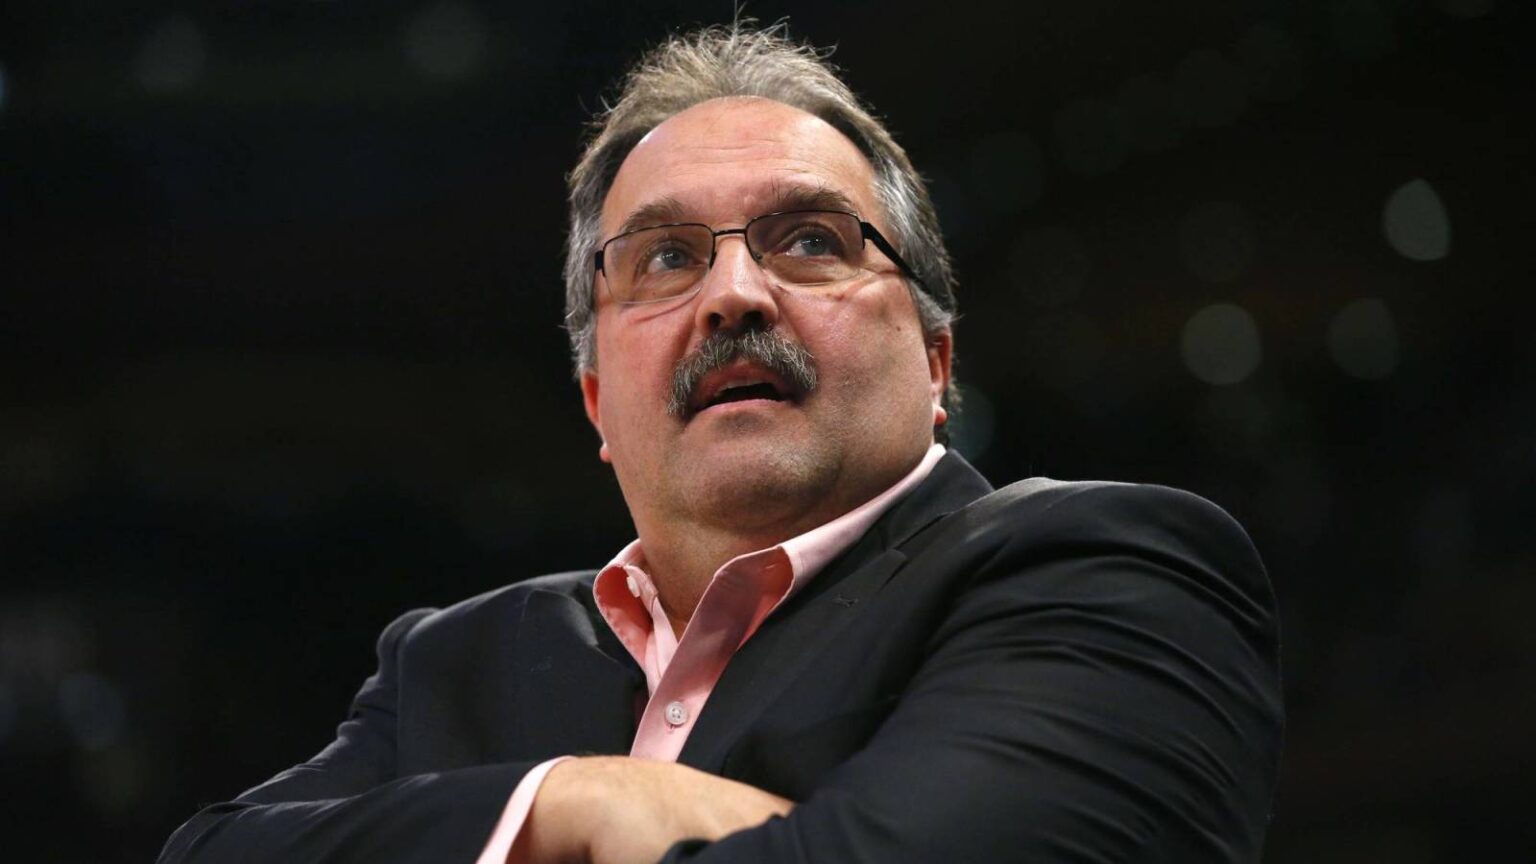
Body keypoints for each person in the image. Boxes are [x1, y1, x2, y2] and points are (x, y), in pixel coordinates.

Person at [159, 22, 1283, 864]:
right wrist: (573, 802)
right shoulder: (452, 661)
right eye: (664, 258)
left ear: (937, 360)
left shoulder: (1109, 574)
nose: (734, 294)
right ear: (596, 401)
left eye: (810, 240)